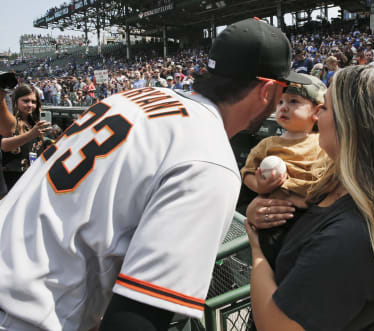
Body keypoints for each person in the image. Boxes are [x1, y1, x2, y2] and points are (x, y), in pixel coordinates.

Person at [0, 18, 310, 331]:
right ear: (268, 90)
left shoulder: (135, 98)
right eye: (282, 90)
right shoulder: (210, 159)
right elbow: (136, 321)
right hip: (21, 314)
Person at [245, 66, 374, 331]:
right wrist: (258, 211)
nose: (317, 116)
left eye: (325, 108)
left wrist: (257, 250)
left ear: (352, 126)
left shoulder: (352, 234)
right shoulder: (333, 184)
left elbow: (276, 325)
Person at [241, 75, 330, 269]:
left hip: (309, 218)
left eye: (294, 102)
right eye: (280, 101)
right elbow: (247, 172)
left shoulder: (322, 143)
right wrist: (260, 186)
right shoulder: (268, 144)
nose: (283, 107)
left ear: (317, 111)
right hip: (274, 218)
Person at [0, 84, 51, 191]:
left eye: (34, 102)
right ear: (16, 100)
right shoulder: (8, 122)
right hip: (12, 178)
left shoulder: (35, 123)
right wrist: (31, 134)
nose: (30, 105)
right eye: (25, 101)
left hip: (32, 177)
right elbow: (4, 145)